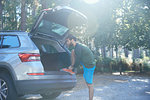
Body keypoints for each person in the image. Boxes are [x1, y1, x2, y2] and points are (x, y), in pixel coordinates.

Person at [66, 34, 96, 100]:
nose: (67, 43)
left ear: (72, 40)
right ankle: (71, 68)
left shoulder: (78, 47)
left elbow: (78, 59)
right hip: (85, 63)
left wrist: (72, 67)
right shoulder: (76, 47)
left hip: (89, 66)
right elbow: (75, 55)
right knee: (73, 52)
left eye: (68, 41)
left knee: (89, 84)